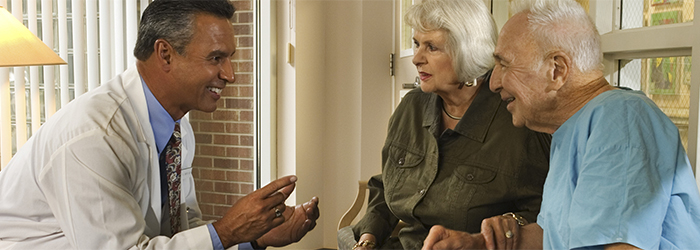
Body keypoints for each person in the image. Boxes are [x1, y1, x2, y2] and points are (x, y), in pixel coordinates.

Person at [0, 0, 319, 249]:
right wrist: (228, 230)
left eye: (230, 58)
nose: (230, 74)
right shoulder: (93, 137)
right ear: (165, 54)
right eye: (216, 58)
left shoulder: (175, 127)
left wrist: (254, 238)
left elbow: (177, 234)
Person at [422, 0, 700, 249]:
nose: (493, 83)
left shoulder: (622, 120)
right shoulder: (570, 129)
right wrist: (478, 244)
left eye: (504, 65)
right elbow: (554, 236)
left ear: (557, 70)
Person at [337, 0, 551, 249]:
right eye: (416, 44)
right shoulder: (411, 107)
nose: (417, 58)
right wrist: (368, 238)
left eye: (432, 47)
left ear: (468, 52)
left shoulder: (516, 120)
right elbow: (387, 184)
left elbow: (544, 216)